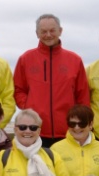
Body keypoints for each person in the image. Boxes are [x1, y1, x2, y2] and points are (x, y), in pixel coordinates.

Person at [14, 14, 90, 147]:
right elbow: (18, 90)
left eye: (52, 30)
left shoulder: (75, 60)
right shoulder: (25, 59)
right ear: (37, 33)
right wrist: (29, 105)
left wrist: (81, 123)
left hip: (68, 132)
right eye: (43, 31)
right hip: (35, 131)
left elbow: (83, 96)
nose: (48, 35)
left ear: (60, 31)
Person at [50, 105, 99, 176]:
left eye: (82, 124)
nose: (77, 128)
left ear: (90, 124)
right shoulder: (55, 149)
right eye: (72, 124)